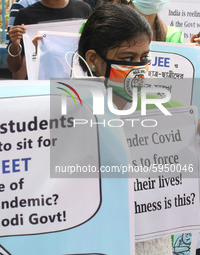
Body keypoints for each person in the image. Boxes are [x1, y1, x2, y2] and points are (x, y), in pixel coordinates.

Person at [77, 4, 181, 254]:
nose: (138, 67)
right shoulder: (69, 111)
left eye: (144, 58)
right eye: (127, 58)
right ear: (93, 59)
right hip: (95, 242)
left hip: (150, 243)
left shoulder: (165, 106)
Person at [7, 0, 92, 80]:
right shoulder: (25, 15)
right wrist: (15, 45)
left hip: (78, 85)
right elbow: (14, 67)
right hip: (41, 87)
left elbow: (92, 50)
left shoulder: (84, 10)